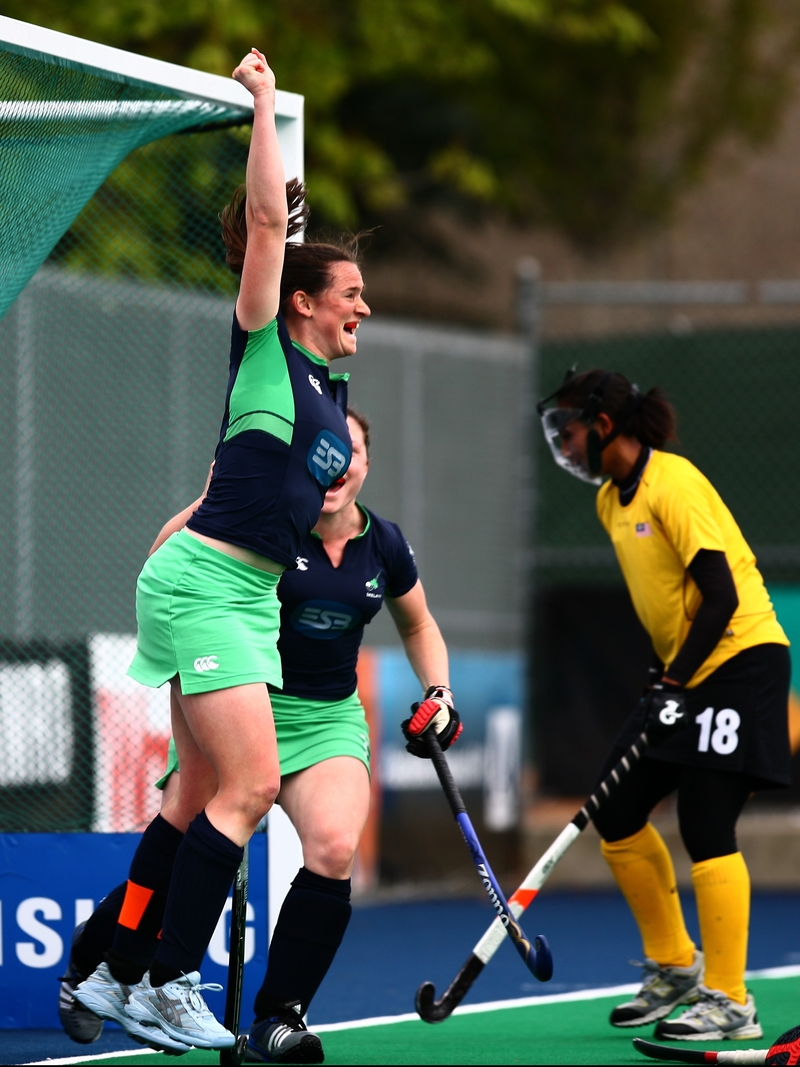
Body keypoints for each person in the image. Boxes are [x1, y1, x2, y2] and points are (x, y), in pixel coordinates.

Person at [72, 48, 459, 1054]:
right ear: (300, 301)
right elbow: (259, 231)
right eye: (349, 293)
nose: (362, 306)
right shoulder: (260, 346)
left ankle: (121, 969)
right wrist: (255, 108)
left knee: (209, 798)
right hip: (205, 584)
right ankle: (157, 978)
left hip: (246, 599)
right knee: (240, 789)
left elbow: (251, 485)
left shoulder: (331, 406)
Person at [65, 421, 459, 1058]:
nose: (334, 469)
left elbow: (419, 625)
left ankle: (279, 1019)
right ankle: (99, 958)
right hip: (244, 699)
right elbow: (173, 555)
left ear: (364, 464)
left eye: (349, 454)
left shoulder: (383, 544)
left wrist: (440, 693)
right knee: (190, 836)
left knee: (334, 847)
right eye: (323, 455)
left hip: (327, 717)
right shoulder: (269, 515)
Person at [538, 368, 790, 1042]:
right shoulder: (609, 503)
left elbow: (721, 595)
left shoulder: (672, 482)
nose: (563, 443)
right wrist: (666, 677)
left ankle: (732, 1001)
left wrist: (675, 683)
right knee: (616, 811)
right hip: (687, 672)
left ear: (607, 425)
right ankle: (676, 963)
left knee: (708, 823)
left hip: (741, 661)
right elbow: (665, 603)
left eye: (571, 428)